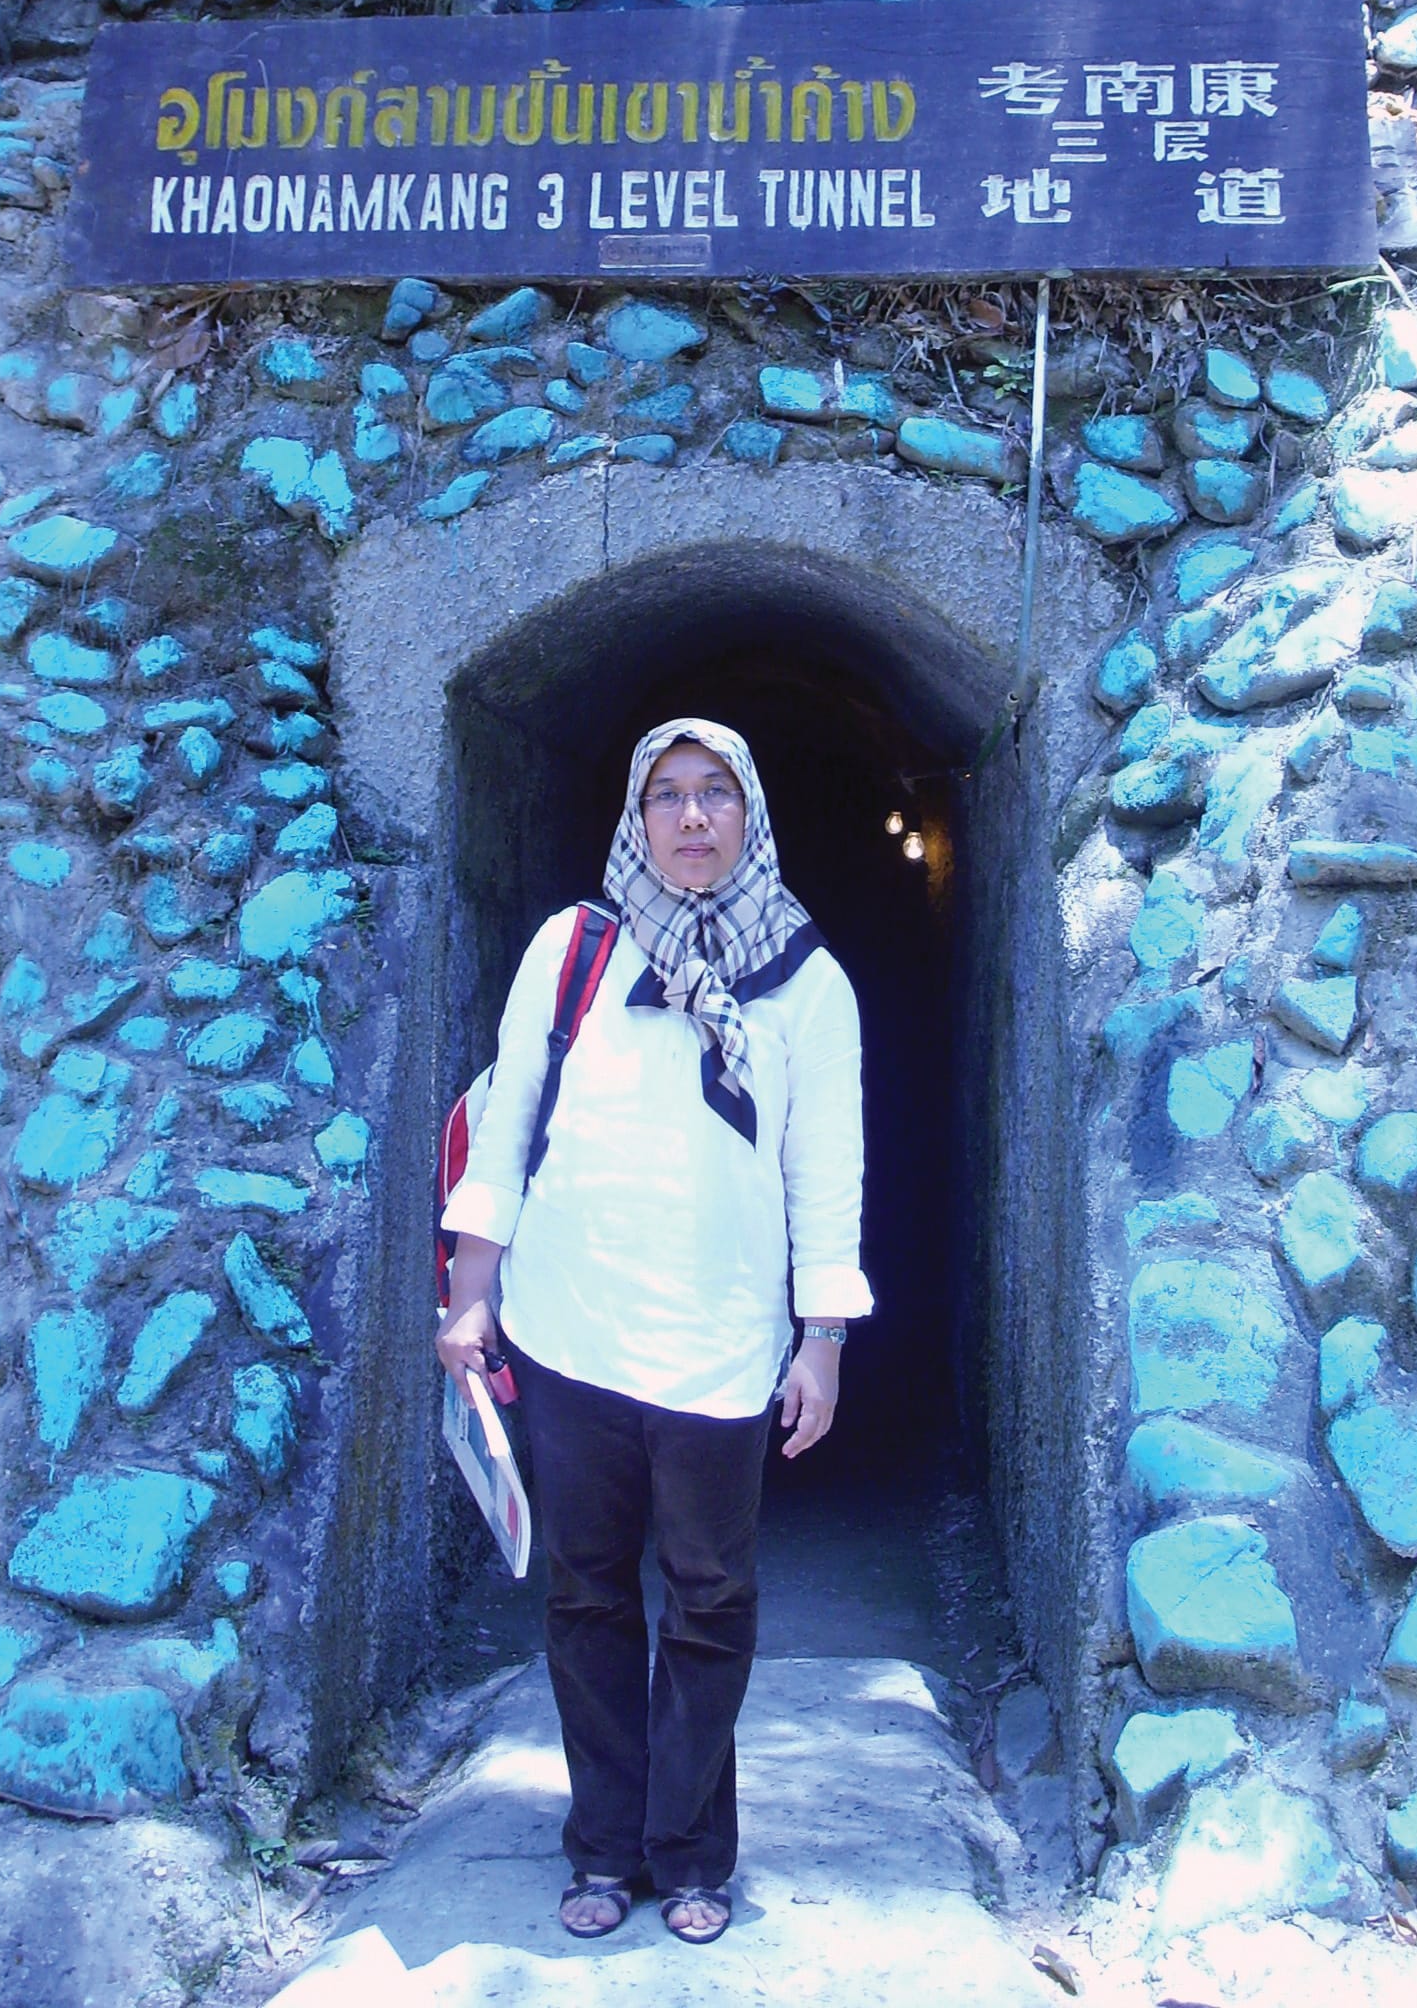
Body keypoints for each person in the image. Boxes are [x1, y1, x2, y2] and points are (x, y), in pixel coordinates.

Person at [435, 719, 872, 1947]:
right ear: (635, 818)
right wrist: (472, 1292)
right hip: (571, 1331)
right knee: (583, 1592)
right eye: (667, 796)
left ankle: (691, 1850)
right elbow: (509, 1119)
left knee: (710, 1597)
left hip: (722, 1349)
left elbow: (824, 1168)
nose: (690, 818)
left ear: (751, 816)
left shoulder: (806, 981)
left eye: (715, 795)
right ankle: (603, 1844)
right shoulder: (570, 952)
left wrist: (823, 1334)